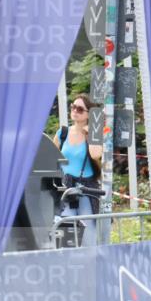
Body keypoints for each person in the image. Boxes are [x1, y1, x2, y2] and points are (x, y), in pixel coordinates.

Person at [51, 94, 103, 246]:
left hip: (86, 189)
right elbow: (53, 158)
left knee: (89, 235)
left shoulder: (93, 134)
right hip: (66, 187)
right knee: (66, 231)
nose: (75, 111)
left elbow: (95, 154)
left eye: (80, 109)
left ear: (89, 114)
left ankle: (90, 264)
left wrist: (91, 133)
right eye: (73, 106)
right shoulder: (63, 132)